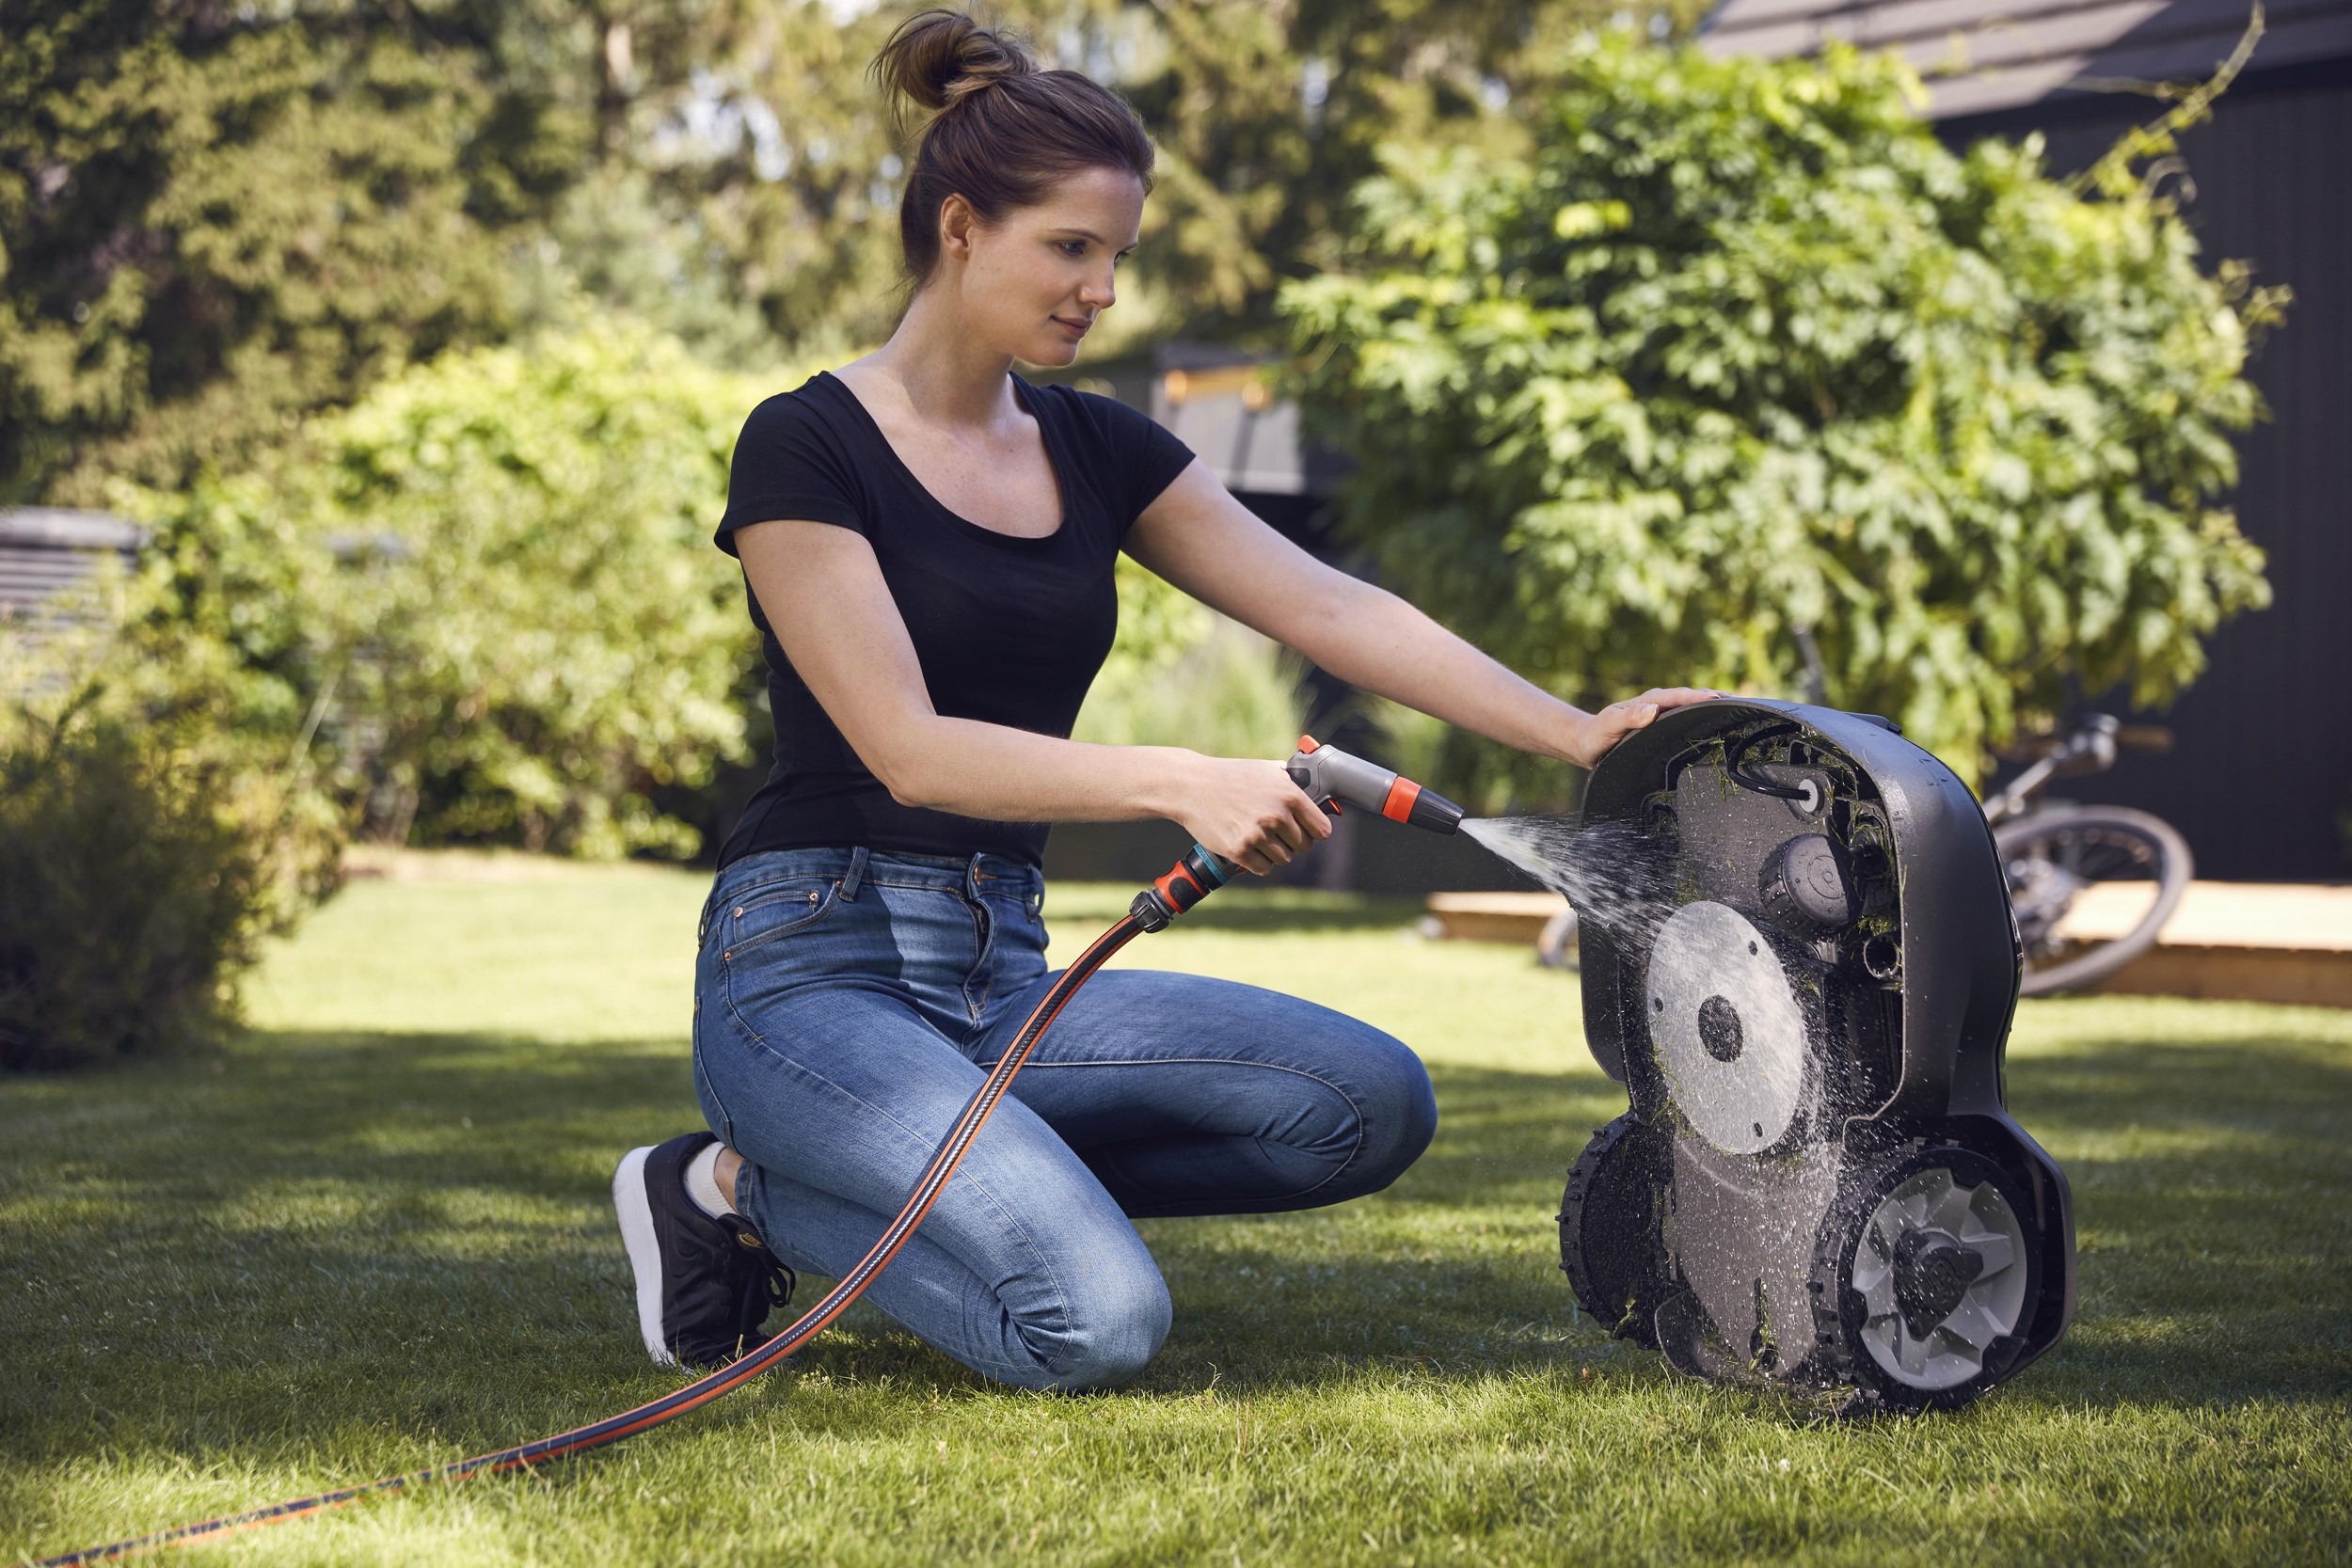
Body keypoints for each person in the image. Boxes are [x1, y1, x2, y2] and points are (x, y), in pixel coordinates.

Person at [611, 7, 1714, 1387]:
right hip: (812, 968)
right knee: (1093, 1324)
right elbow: (906, 749)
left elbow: (1328, 604)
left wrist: (1574, 729)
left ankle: (950, 1176)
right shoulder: (807, 442)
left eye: (1118, 256)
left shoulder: (1099, 447)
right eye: (1071, 248)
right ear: (961, 228)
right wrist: (1185, 777)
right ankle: (728, 1188)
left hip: (1000, 966)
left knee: (1364, 1106)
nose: (1104, 289)